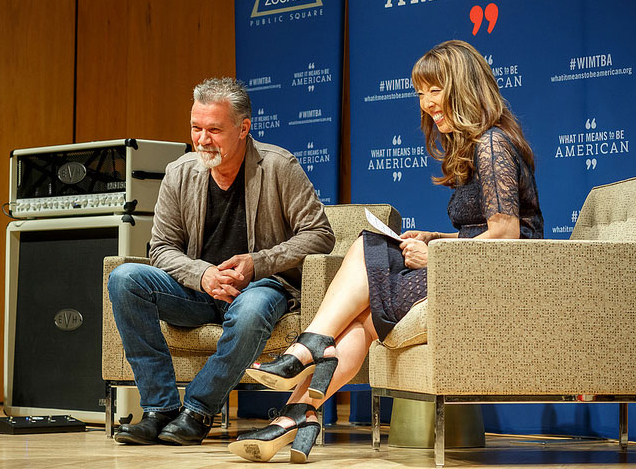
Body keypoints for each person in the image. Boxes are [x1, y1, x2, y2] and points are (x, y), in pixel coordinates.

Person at [229, 40, 544, 463]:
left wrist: (436, 257)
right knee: (365, 306)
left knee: (370, 246)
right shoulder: (475, 145)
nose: (427, 103)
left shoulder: (491, 143)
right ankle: (296, 414)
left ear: (464, 88)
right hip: (470, 266)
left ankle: (301, 362)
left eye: (436, 90)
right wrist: (438, 238)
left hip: (493, 276)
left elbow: (506, 237)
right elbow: (485, 230)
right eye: (420, 93)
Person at [107, 77, 335, 446]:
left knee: (251, 309)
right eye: (196, 128)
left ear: (243, 128)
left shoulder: (279, 166)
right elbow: (162, 247)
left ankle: (198, 409)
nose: (202, 139)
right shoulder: (179, 172)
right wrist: (203, 275)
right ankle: (160, 409)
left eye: (214, 129)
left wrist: (257, 263)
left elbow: (320, 234)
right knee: (124, 279)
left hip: (260, 287)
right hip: (196, 292)